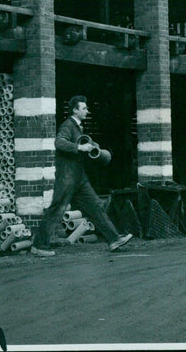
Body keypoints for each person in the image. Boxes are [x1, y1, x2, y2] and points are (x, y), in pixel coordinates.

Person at [30, 95, 132, 256]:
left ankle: (113, 239)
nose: (87, 111)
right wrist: (79, 148)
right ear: (75, 110)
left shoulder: (78, 127)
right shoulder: (68, 125)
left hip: (78, 178)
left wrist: (92, 147)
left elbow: (84, 144)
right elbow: (59, 142)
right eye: (84, 108)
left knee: (96, 206)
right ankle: (39, 246)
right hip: (67, 177)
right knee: (57, 209)